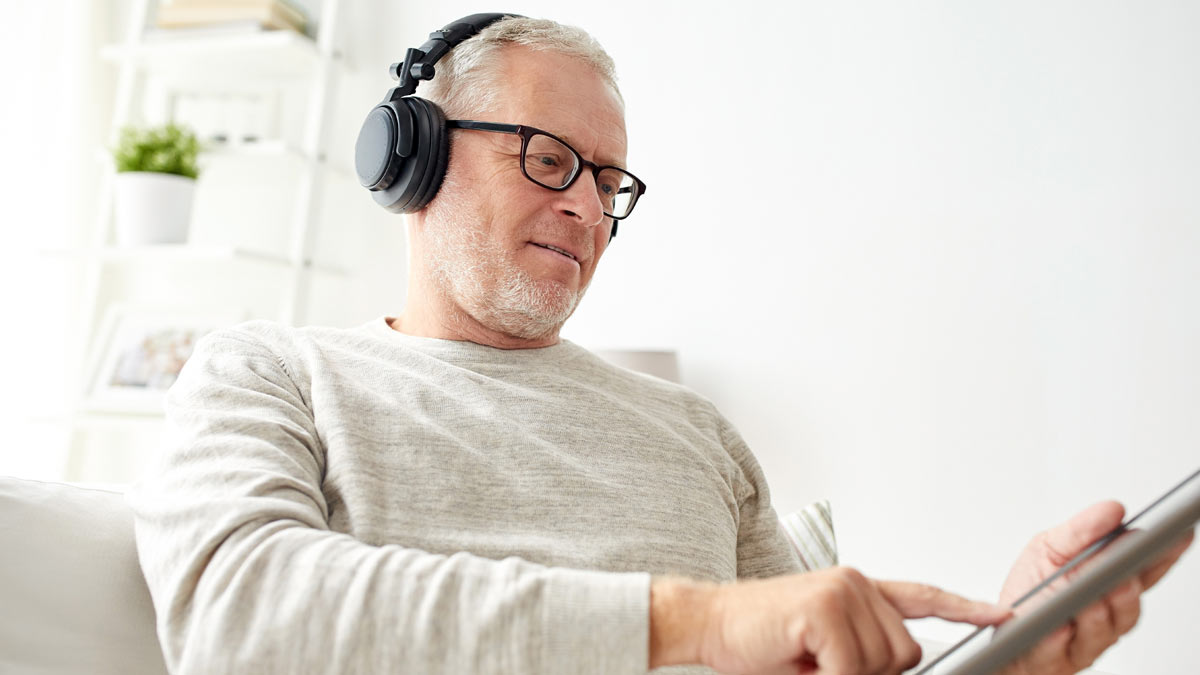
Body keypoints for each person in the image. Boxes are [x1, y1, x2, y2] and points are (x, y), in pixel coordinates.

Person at [129, 15, 1193, 675]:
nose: (588, 211)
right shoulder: (269, 372)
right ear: (413, 161)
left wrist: (1011, 650)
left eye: (608, 180)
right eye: (551, 161)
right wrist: (689, 622)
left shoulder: (694, 431)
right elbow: (241, 616)